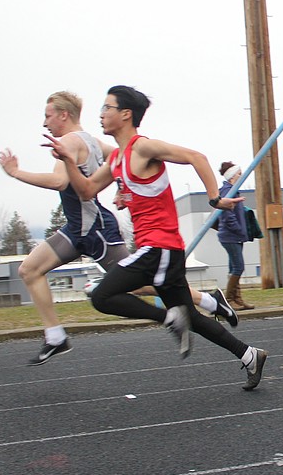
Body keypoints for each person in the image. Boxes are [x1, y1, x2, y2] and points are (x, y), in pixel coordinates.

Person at [45, 85, 267, 390]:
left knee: (101, 296)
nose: (101, 114)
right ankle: (249, 354)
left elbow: (196, 157)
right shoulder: (116, 161)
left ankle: (169, 318)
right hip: (161, 250)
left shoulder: (142, 148)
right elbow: (85, 190)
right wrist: (69, 160)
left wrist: (214, 198)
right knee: (192, 316)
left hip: (159, 246)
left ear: (125, 115)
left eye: (106, 108)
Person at [0, 91, 138, 365]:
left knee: (137, 285)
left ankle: (205, 300)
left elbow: (59, 182)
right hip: (76, 228)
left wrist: (16, 172)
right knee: (29, 270)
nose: (44, 123)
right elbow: (124, 155)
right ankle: (55, 337)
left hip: (96, 229)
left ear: (63, 115)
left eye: (47, 116)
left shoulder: (70, 141)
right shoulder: (91, 140)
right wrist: (123, 187)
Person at [216, 161, 255, 310]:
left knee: (234, 267)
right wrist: (239, 230)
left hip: (233, 236)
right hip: (230, 236)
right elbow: (227, 216)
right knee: (238, 267)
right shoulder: (228, 191)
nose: (241, 176)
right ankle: (228, 299)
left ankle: (237, 299)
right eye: (239, 173)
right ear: (232, 176)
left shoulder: (232, 190)